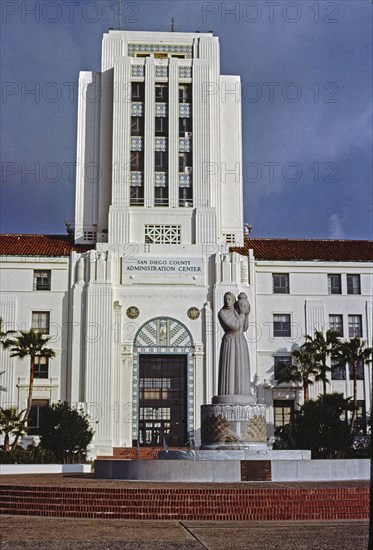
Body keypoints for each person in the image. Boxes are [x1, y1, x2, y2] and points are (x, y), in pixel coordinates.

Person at [217, 291, 251, 396]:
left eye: (229, 299)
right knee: (230, 370)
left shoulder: (237, 311)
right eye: (225, 299)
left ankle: (242, 394)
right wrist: (242, 313)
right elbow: (234, 326)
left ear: (233, 300)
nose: (227, 301)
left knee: (241, 368)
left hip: (240, 341)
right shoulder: (222, 312)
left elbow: (244, 327)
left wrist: (246, 313)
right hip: (230, 343)